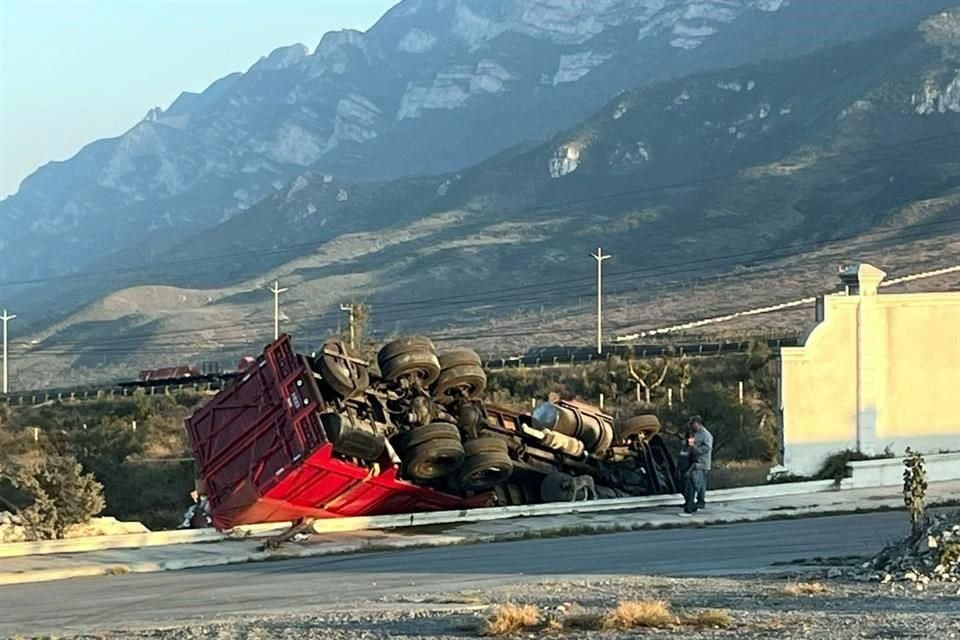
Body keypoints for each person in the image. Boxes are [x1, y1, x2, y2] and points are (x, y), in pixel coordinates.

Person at [689, 415, 713, 510]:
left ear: (699, 424)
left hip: (702, 462)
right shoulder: (694, 433)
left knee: (700, 483)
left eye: (694, 424)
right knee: (694, 481)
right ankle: (691, 500)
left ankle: (701, 501)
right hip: (694, 461)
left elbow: (707, 448)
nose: (692, 426)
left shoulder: (706, 435)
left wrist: (696, 449)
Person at [677, 431, 700, 516]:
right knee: (682, 489)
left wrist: (689, 471)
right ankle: (691, 505)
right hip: (681, 471)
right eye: (688, 438)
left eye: (691, 438)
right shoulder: (683, 448)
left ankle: (689, 508)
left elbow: (694, 462)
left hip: (689, 472)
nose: (689, 440)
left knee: (689, 490)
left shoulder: (693, 449)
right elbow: (680, 460)